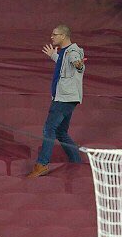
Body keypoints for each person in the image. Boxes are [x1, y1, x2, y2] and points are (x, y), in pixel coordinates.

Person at [27, 25, 84, 178]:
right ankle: (76, 161)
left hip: (64, 98)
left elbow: (77, 63)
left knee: (49, 129)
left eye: (55, 35)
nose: (51, 37)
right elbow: (65, 65)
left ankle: (42, 164)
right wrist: (54, 56)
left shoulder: (73, 51)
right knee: (60, 131)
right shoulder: (65, 52)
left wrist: (79, 64)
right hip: (66, 97)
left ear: (64, 36)